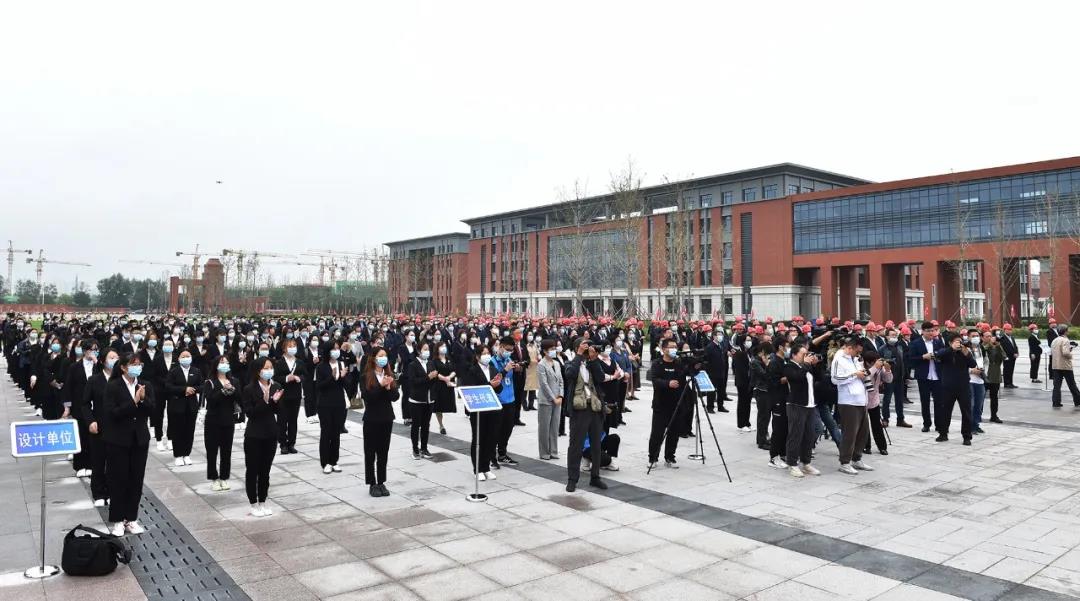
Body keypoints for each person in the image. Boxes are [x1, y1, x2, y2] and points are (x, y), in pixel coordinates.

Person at [101, 353, 153, 536]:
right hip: (118, 440)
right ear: (123, 367)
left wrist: (143, 399)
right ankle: (117, 520)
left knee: (136, 480)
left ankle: (131, 518)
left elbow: (152, 409)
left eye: (139, 364)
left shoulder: (145, 384)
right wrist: (134, 401)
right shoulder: (113, 386)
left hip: (140, 439)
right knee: (118, 479)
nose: (137, 367)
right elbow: (112, 413)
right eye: (133, 364)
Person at [563, 340, 608, 492]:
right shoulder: (571, 362)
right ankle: (572, 479)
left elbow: (601, 378)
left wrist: (594, 359)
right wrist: (579, 355)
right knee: (576, 445)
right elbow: (570, 374)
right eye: (584, 347)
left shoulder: (592, 363)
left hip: (594, 407)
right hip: (579, 409)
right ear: (577, 348)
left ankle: (595, 477)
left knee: (596, 444)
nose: (588, 349)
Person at [242, 358, 282, 517]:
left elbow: (279, 411)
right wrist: (264, 401)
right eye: (266, 368)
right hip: (254, 434)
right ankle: (253, 503)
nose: (269, 370)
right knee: (253, 470)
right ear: (258, 371)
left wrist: (274, 402)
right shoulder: (249, 389)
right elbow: (250, 413)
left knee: (265, 470)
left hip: (271, 433)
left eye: (271, 367)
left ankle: (263, 502)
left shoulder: (276, 386)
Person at [460, 344, 503, 481]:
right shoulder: (472, 370)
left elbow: (499, 389)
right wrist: (490, 385)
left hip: (492, 408)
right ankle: (477, 469)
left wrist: (498, 384)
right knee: (478, 439)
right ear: (478, 356)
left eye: (488, 353)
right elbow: (473, 389)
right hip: (479, 410)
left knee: (491, 439)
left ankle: (486, 467)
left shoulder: (493, 369)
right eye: (484, 353)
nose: (487, 356)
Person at [831, 337, 872, 475]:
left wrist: (863, 372)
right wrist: (854, 375)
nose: (858, 354)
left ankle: (856, 458)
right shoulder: (839, 359)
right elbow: (835, 379)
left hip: (861, 400)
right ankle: (845, 462)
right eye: (857, 351)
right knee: (850, 433)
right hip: (848, 401)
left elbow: (861, 375)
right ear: (849, 348)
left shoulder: (855, 359)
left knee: (863, 432)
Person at [361, 348, 398, 497]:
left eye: (385, 356)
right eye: (381, 356)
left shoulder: (388, 374)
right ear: (374, 358)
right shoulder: (366, 376)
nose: (384, 358)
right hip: (371, 418)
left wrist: (388, 388)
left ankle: (381, 481)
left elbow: (395, 397)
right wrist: (380, 385)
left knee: (383, 452)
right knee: (370, 452)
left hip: (386, 418)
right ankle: (372, 483)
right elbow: (367, 397)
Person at [647, 338, 688, 469]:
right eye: (671, 347)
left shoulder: (679, 363)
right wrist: (668, 383)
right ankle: (652, 458)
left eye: (675, 347)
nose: (674, 349)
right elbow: (655, 380)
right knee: (657, 433)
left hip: (677, 404)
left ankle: (670, 457)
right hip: (661, 404)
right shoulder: (657, 363)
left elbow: (686, 375)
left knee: (674, 433)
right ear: (664, 349)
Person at [783, 344, 822, 478]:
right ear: (794, 355)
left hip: (810, 404)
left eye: (807, 354)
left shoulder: (806, 366)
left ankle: (806, 462)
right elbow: (797, 378)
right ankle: (792, 463)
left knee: (809, 435)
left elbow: (820, 378)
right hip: (796, 405)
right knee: (796, 434)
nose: (806, 356)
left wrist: (816, 365)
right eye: (803, 354)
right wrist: (806, 364)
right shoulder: (789, 366)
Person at [82, 347, 114, 507]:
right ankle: (99, 493)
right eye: (111, 358)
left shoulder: (122, 380)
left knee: (115, 462)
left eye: (116, 358)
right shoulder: (94, 380)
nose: (114, 361)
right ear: (102, 361)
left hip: (118, 427)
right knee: (98, 461)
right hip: (99, 426)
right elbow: (85, 404)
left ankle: (113, 491)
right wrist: (90, 421)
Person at [204, 355, 240, 491]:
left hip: (228, 420)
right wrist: (223, 391)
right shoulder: (210, 382)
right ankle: (213, 478)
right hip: (213, 420)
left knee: (226, 451)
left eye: (227, 362)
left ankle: (224, 477)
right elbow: (210, 400)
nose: (225, 364)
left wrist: (232, 390)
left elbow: (240, 398)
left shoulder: (234, 381)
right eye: (222, 362)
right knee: (212, 451)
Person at [934, 331, 977, 444]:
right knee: (945, 411)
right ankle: (943, 434)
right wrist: (951, 349)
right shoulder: (946, 351)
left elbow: (973, 364)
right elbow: (938, 355)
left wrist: (966, 353)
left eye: (960, 341)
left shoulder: (964, 351)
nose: (959, 344)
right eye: (956, 342)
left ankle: (966, 436)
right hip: (948, 387)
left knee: (966, 412)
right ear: (950, 342)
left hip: (963, 386)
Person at [165, 349, 202, 466]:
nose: (186, 358)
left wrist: (193, 390)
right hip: (177, 405)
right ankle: (178, 455)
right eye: (183, 356)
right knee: (178, 430)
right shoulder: (174, 371)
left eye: (188, 356)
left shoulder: (196, 371)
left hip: (191, 405)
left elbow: (202, 386)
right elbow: (168, 386)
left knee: (189, 430)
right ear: (179, 359)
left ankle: (186, 454)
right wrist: (184, 390)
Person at [316, 341, 348, 473]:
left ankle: (334, 460)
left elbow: (346, 384)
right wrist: (332, 377)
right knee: (326, 432)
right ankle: (325, 462)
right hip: (325, 403)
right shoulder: (321, 367)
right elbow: (319, 386)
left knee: (336, 432)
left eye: (337, 348)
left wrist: (342, 377)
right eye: (333, 349)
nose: (336, 351)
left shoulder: (341, 364)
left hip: (339, 402)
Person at [907, 321, 943, 433]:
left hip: (937, 376)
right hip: (923, 376)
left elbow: (944, 355)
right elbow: (910, 360)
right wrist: (923, 357)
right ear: (922, 331)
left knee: (939, 401)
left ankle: (939, 424)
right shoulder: (915, 343)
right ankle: (926, 424)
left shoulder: (937, 342)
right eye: (928, 331)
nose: (931, 333)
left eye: (932, 331)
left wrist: (937, 356)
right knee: (925, 401)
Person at [490, 337, 520, 465]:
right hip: (498, 400)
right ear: (501, 347)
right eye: (507, 349)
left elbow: (514, 378)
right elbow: (494, 379)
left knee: (507, 429)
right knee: (495, 430)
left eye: (511, 350)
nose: (509, 352)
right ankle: (491, 456)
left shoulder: (509, 360)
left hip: (510, 399)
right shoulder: (492, 362)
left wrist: (518, 370)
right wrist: (505, 370)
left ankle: (502, 454)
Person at [273, 338, 306, 454]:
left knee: (293, 420)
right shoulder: (279, 362)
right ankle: (283, 443)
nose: (292, 348)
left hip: (295, 394)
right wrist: (287, 378)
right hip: (283, 394)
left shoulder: (299, 362)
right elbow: (275, 377)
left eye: (294, 346)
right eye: (290, 346)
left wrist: (298, 378)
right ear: (284, 348)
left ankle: (291, 443)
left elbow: (305, 375)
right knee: (282, 420)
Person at [406, 342, 437, 460]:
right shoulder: (413, 364)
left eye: (428, 349)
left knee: (426, 425)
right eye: (425, 349)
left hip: (429, 399)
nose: (427, 351)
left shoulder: (430, 363)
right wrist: (428, 377)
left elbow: (433, 380)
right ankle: (415, 448)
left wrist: (433, 378)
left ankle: (424, 448)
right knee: (416, 425)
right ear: (419, 351)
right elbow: (413, 381)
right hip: (416, 400)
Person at [536, 339, 564, 460]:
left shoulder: (556, 363)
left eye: (554, 348)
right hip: (546, 400)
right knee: (544, 427)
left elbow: (561, 381)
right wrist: (553, 398)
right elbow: (544, 384)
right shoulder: (541, 365)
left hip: (558, 399)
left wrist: (560, 396)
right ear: (545, 351)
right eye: (551, 349)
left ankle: (553, 451)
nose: (554, 351)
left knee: (554, 426)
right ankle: (544, 452)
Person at [1050, 325, 1080, 407]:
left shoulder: (1054, 340)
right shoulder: (1065, 340)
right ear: (1065, 331)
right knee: (1072, 384)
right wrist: (1071, 355)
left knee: (1056, 386)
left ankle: (1056, 402)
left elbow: (1054, 352)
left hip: (1056, 365)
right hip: (1065, 366)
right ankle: (1078, 401)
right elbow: (1065, 353)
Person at [749, 340, 771, 450]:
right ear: (762, 352)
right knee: (763, 417)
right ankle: (762, 442)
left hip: (766, 390)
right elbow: (765, 375)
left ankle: (763, 438)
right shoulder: (755, 362)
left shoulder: (760, 360)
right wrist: (767, 364)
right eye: (768, 353)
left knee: (766, 417)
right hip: (760, 390)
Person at [432, 341, 457, 435]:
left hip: (448, 384)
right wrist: (444, 378)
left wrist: (449, 377)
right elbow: (435, 372)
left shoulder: (449, 359)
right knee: (438, 407)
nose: (444, 348)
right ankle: (441, 425)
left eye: (445, 346)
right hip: (439, 385)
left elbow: (454, 370)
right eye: (442, 346)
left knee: (447, 404)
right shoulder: (434, 360)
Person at [981, 330, 1005, 424]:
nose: (990, 338)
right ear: (982, 338)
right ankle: (978, 415)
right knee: (980, 397)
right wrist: (990, 345)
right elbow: (983, 354)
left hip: (995, 375)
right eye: (987, 336)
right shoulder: (981, 347)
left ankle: (994, 416)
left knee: (994, 397)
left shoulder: (997, 346)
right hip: (984, 375)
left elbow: (1004, 356)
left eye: (990, 336)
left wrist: (998, 346)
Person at [1000, 324, 1019, 388]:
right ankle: (1007, 383)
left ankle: (1010, 383)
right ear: (1004, 330)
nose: (1010, 331)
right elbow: (1005, 348)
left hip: (1013, 357)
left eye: (1011, 329)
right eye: (1008, 329)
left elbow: (1015, 346)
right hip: (1007, 357)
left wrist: (1017, 352)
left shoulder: (1012, 337)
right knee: (1007, 370)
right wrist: (1013, 353)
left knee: (1011, 370)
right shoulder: (1002, 338)